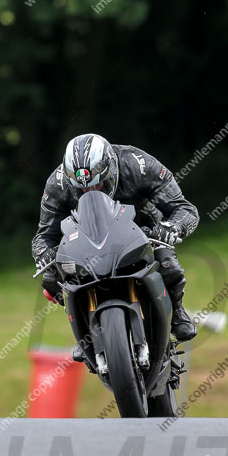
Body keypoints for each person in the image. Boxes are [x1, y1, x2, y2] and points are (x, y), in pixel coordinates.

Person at [31, 133, 200, 348]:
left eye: (98, 185)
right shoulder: (57, 183)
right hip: (86, 239)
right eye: (82, 189)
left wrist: (172, 228)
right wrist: (43, 253)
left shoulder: (139, 164)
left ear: (110, 169)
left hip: (141, 229)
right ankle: (84, 331)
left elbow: (185, 209)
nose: (90, 190)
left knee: (168, 264)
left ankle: (176, 311)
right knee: (51, 278)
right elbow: (44, 236)